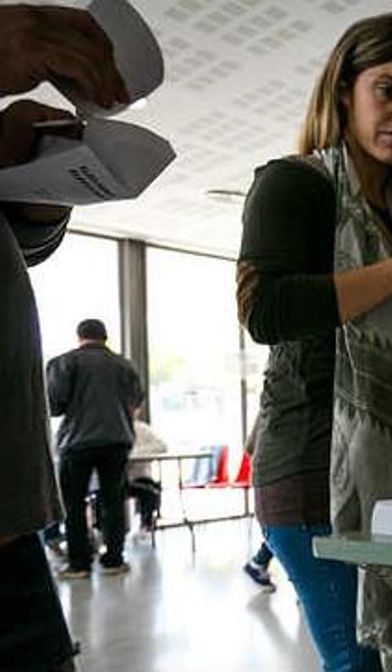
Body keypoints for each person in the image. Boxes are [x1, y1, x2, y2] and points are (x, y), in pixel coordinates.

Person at [237, 13, 392, 671]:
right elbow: (265, 310)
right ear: (345, 90)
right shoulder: (295, 183)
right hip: (312, 468)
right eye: (388, 90)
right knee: (361, 664)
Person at [0, 5, 129, 667]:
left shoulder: (72, 367)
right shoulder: (116, 366)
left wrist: (32, 197)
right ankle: (111, 551)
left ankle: (88, 557)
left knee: (87, 501)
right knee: (108, 500)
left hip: (11, 519)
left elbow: (16, 247)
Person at [46, 318, 144, 579]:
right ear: (105, 337)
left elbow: (55, 405)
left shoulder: (64, 363)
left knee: (74, 503)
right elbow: (136, 401)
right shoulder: (125, 365)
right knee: (113, 500)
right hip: (117, 441)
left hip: (77, 442)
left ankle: (79, 564)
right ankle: (114, 559)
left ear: (80, 336)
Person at [238, 415, 275, 592]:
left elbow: (249, 446)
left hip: (265, 481)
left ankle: (258, 562)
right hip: (275, 480)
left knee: (282, 529)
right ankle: (258, 562)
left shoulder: (267, 411)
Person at [127, 406, 168, 536]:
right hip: (116, 478)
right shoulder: (113, 430)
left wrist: (137, 454)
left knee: (151, 491)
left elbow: (162, 446)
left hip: (140, 476)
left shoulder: (142, 429)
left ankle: (146, 525)